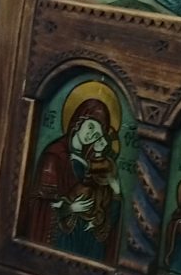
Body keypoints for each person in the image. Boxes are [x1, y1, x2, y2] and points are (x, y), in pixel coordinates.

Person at [24, 97, 122, 261]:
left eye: (96, 134)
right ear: (80, 120)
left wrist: (115, 189)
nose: (91, 135)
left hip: (86, 240)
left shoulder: (93, 161)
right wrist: (69, 208)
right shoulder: (54, 156)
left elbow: (105, 199)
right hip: (62, 239)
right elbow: (41, 205)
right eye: (90, 127)